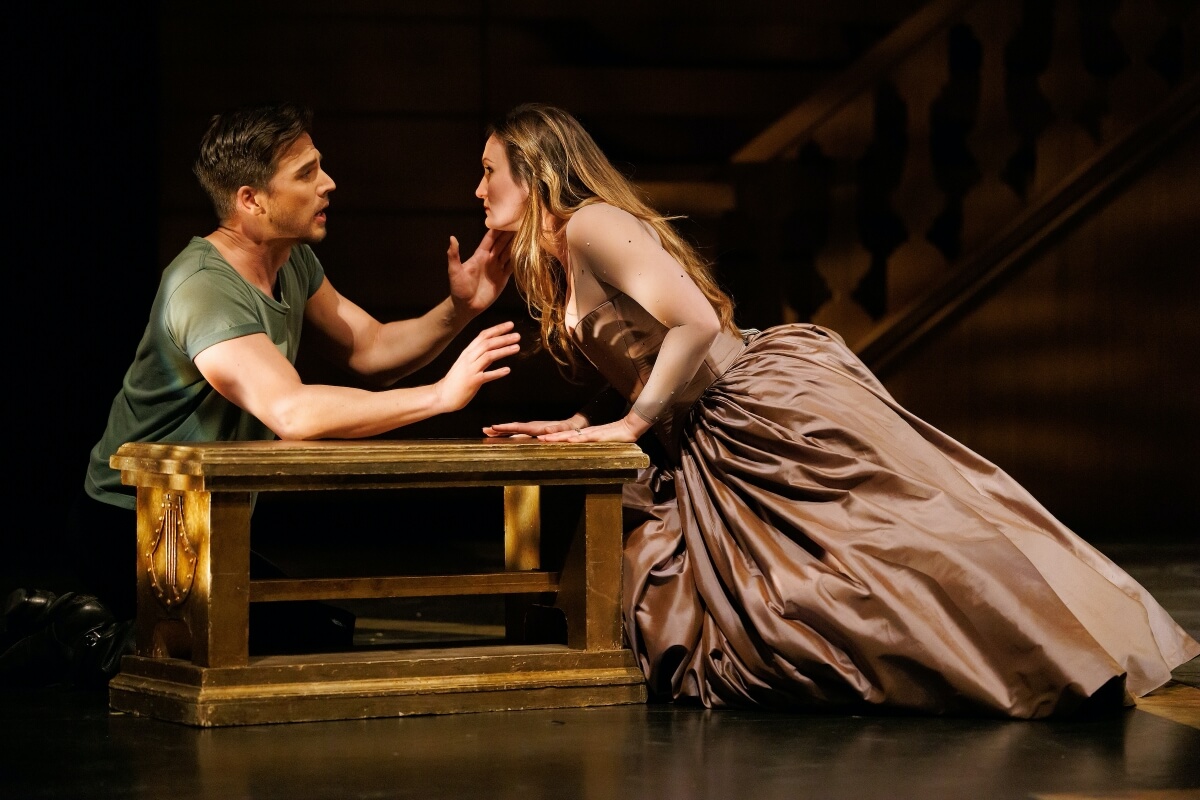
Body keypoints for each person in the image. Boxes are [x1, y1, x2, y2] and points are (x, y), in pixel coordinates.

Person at [479, 103, 1200, 718]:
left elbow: (694, 322)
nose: (478, 188)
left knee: (893, 539)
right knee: (810, 599)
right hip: (705, 432)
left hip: (756, 404)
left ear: (535, 170)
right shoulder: (555, 257)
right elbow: (639, 354)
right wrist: (581, 423)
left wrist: (634, 426)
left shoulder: (591, 226)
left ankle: (1052, 648)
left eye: (489, 170)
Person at [1, 101, 520, 685]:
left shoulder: (290, 260)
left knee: (318, 634)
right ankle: (77, 630)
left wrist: (460, 308)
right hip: (133, 522)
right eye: (305, 173)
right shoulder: (202, 287)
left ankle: (94, 624)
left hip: (205, 518)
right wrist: (438, 397)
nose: (328, 183)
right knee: (250, 650)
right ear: (251, 200)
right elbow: (292, 410)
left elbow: (369, 349)